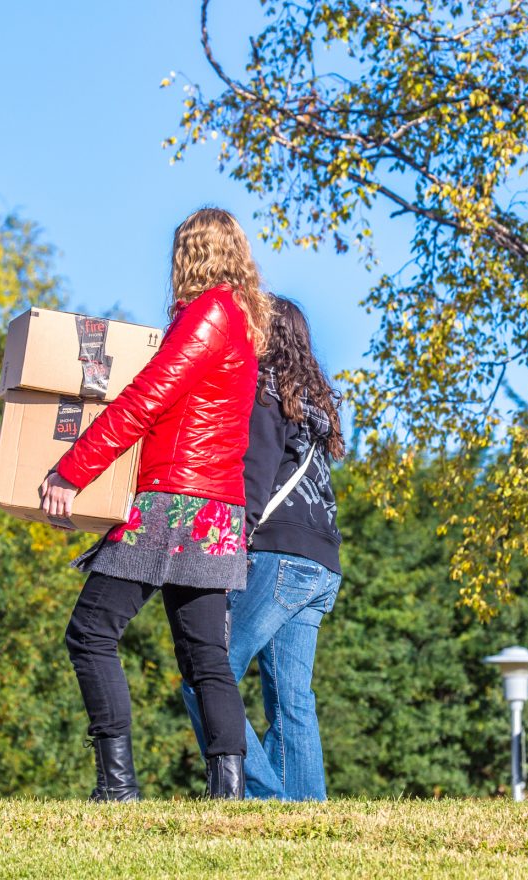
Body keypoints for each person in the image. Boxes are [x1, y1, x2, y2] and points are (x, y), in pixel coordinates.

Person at [39, 207, 273, 801]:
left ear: (189, 255)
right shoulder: (241, 323)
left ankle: (117, 787)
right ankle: (228, 794)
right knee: (205, 655)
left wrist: (72, 471)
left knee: (90, 632)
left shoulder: (209, 313)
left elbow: (146, 399)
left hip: (173, 503)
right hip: (216, 509)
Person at [182, 296, 345, 801]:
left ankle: (265, 795)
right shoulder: (315, 405)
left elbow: (254, 479)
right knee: (292, 697)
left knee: (205, 672)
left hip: (275, 557)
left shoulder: (264, 392)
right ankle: (305, 813)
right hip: (322, 567)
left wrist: (231, 544)